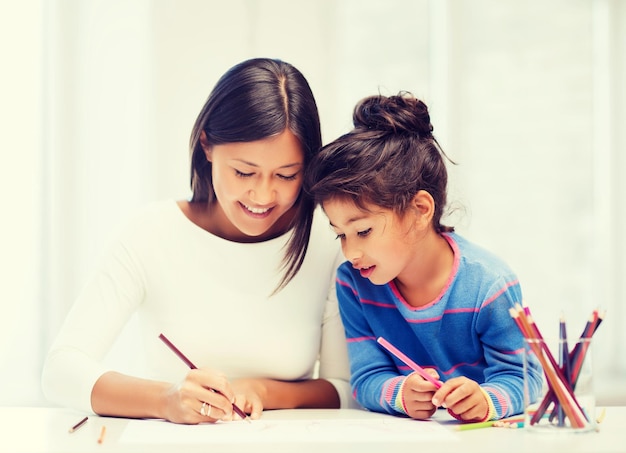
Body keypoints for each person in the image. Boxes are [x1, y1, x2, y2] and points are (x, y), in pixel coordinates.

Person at [42, 57, 355, 424]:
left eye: (286, 175)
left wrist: (262, 390)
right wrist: (165, 399)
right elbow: (60, 371)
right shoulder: (150, 233)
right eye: (243, 171)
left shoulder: (329, 240)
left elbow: (344, 388)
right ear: (207, 145)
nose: (263, 195)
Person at [304, 92, 543, 422]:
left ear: (419, 210)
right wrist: (401, 394)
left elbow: (525, 380)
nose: (351, 252)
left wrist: (485, 400)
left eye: (363, 232)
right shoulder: (354, 284)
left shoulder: (488, 285)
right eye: (340, 234)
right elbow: (366, 378)